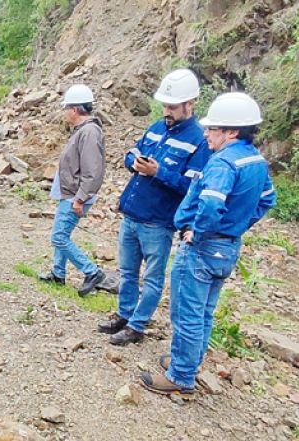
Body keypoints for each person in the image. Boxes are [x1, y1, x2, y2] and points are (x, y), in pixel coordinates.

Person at [139, 92, 276, 396]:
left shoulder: (223, 162)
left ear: (232, 132)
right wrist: (237, 224)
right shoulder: (255, 160)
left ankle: (180, 376)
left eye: (213, 129)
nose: (206, 134)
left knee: (187, 312)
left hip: (203, 247)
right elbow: (267, 199)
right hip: (227, 247)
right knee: (204, 312)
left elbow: (211, 204)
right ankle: (188, 362)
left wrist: (198, 231)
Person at [99, 69, 212, 346]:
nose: (167, 111)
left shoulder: (199, 140)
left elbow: (192, 187)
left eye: (172, 106)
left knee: (152, 278)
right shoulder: (156, 128)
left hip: (158, 222)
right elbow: (132, 153)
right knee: (127, 272)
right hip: (132, 213)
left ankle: (137, 326)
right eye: (165, 105)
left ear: (190, 103)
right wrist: (134, 163)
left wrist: (159, 172)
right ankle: (124, 314)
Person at [37, 84, 108, 297]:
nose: (64, 112)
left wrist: (80, 198)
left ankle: (92, 272)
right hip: (70, 193)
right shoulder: (83, 131)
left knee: (59, 237)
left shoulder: (89, 132)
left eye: (66, 108)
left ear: (74, 109)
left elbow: (92, 171)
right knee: (63, 234)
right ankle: (58, 273)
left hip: (75, 195)